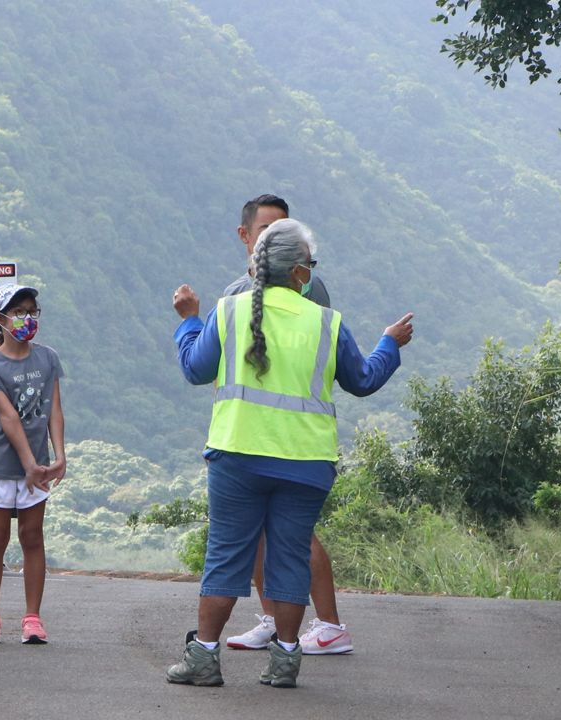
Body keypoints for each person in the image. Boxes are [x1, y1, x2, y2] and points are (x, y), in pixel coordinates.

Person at [166, 219, 412, 688]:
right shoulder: (326, 321)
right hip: (307, 462)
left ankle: (204, 657)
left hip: (237, 455)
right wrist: (389, 344)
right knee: (290, 558)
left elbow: (195, 370)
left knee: (226, 556)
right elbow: (363, 381)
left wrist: (188, 322)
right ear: (301, 273)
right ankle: (285, 660)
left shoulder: (228, 311)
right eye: (311, 265)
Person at [222, 195, 351, 655]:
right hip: (250, 435)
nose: (278, 239)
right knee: (261, 534)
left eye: (285, 229)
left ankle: (329, 624)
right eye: (267, 230)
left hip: (292, 440)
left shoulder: (307, 288)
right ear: (245, 236)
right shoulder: (237, 291)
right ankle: (275, 620)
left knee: (294, 537)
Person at [0, 284, 66, 645]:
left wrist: (59, 456)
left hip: (37, 466)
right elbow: (9, 418)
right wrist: (30, 464)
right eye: (19, 312)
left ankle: (32, 618)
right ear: (1, 319)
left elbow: (54, 411)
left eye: (32, 311)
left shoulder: (48, 359)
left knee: (32, 537)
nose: (27, 318)